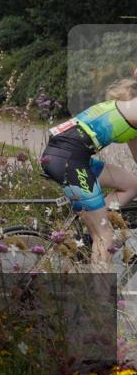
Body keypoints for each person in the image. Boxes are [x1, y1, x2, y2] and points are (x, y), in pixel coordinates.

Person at [40, 78, 137, 267]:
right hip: (69, 161)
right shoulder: (130, 108)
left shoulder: (129, 119)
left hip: (74, 159)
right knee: (105, 234)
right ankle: (99, 296)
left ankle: (96, 220)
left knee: (132, 185)